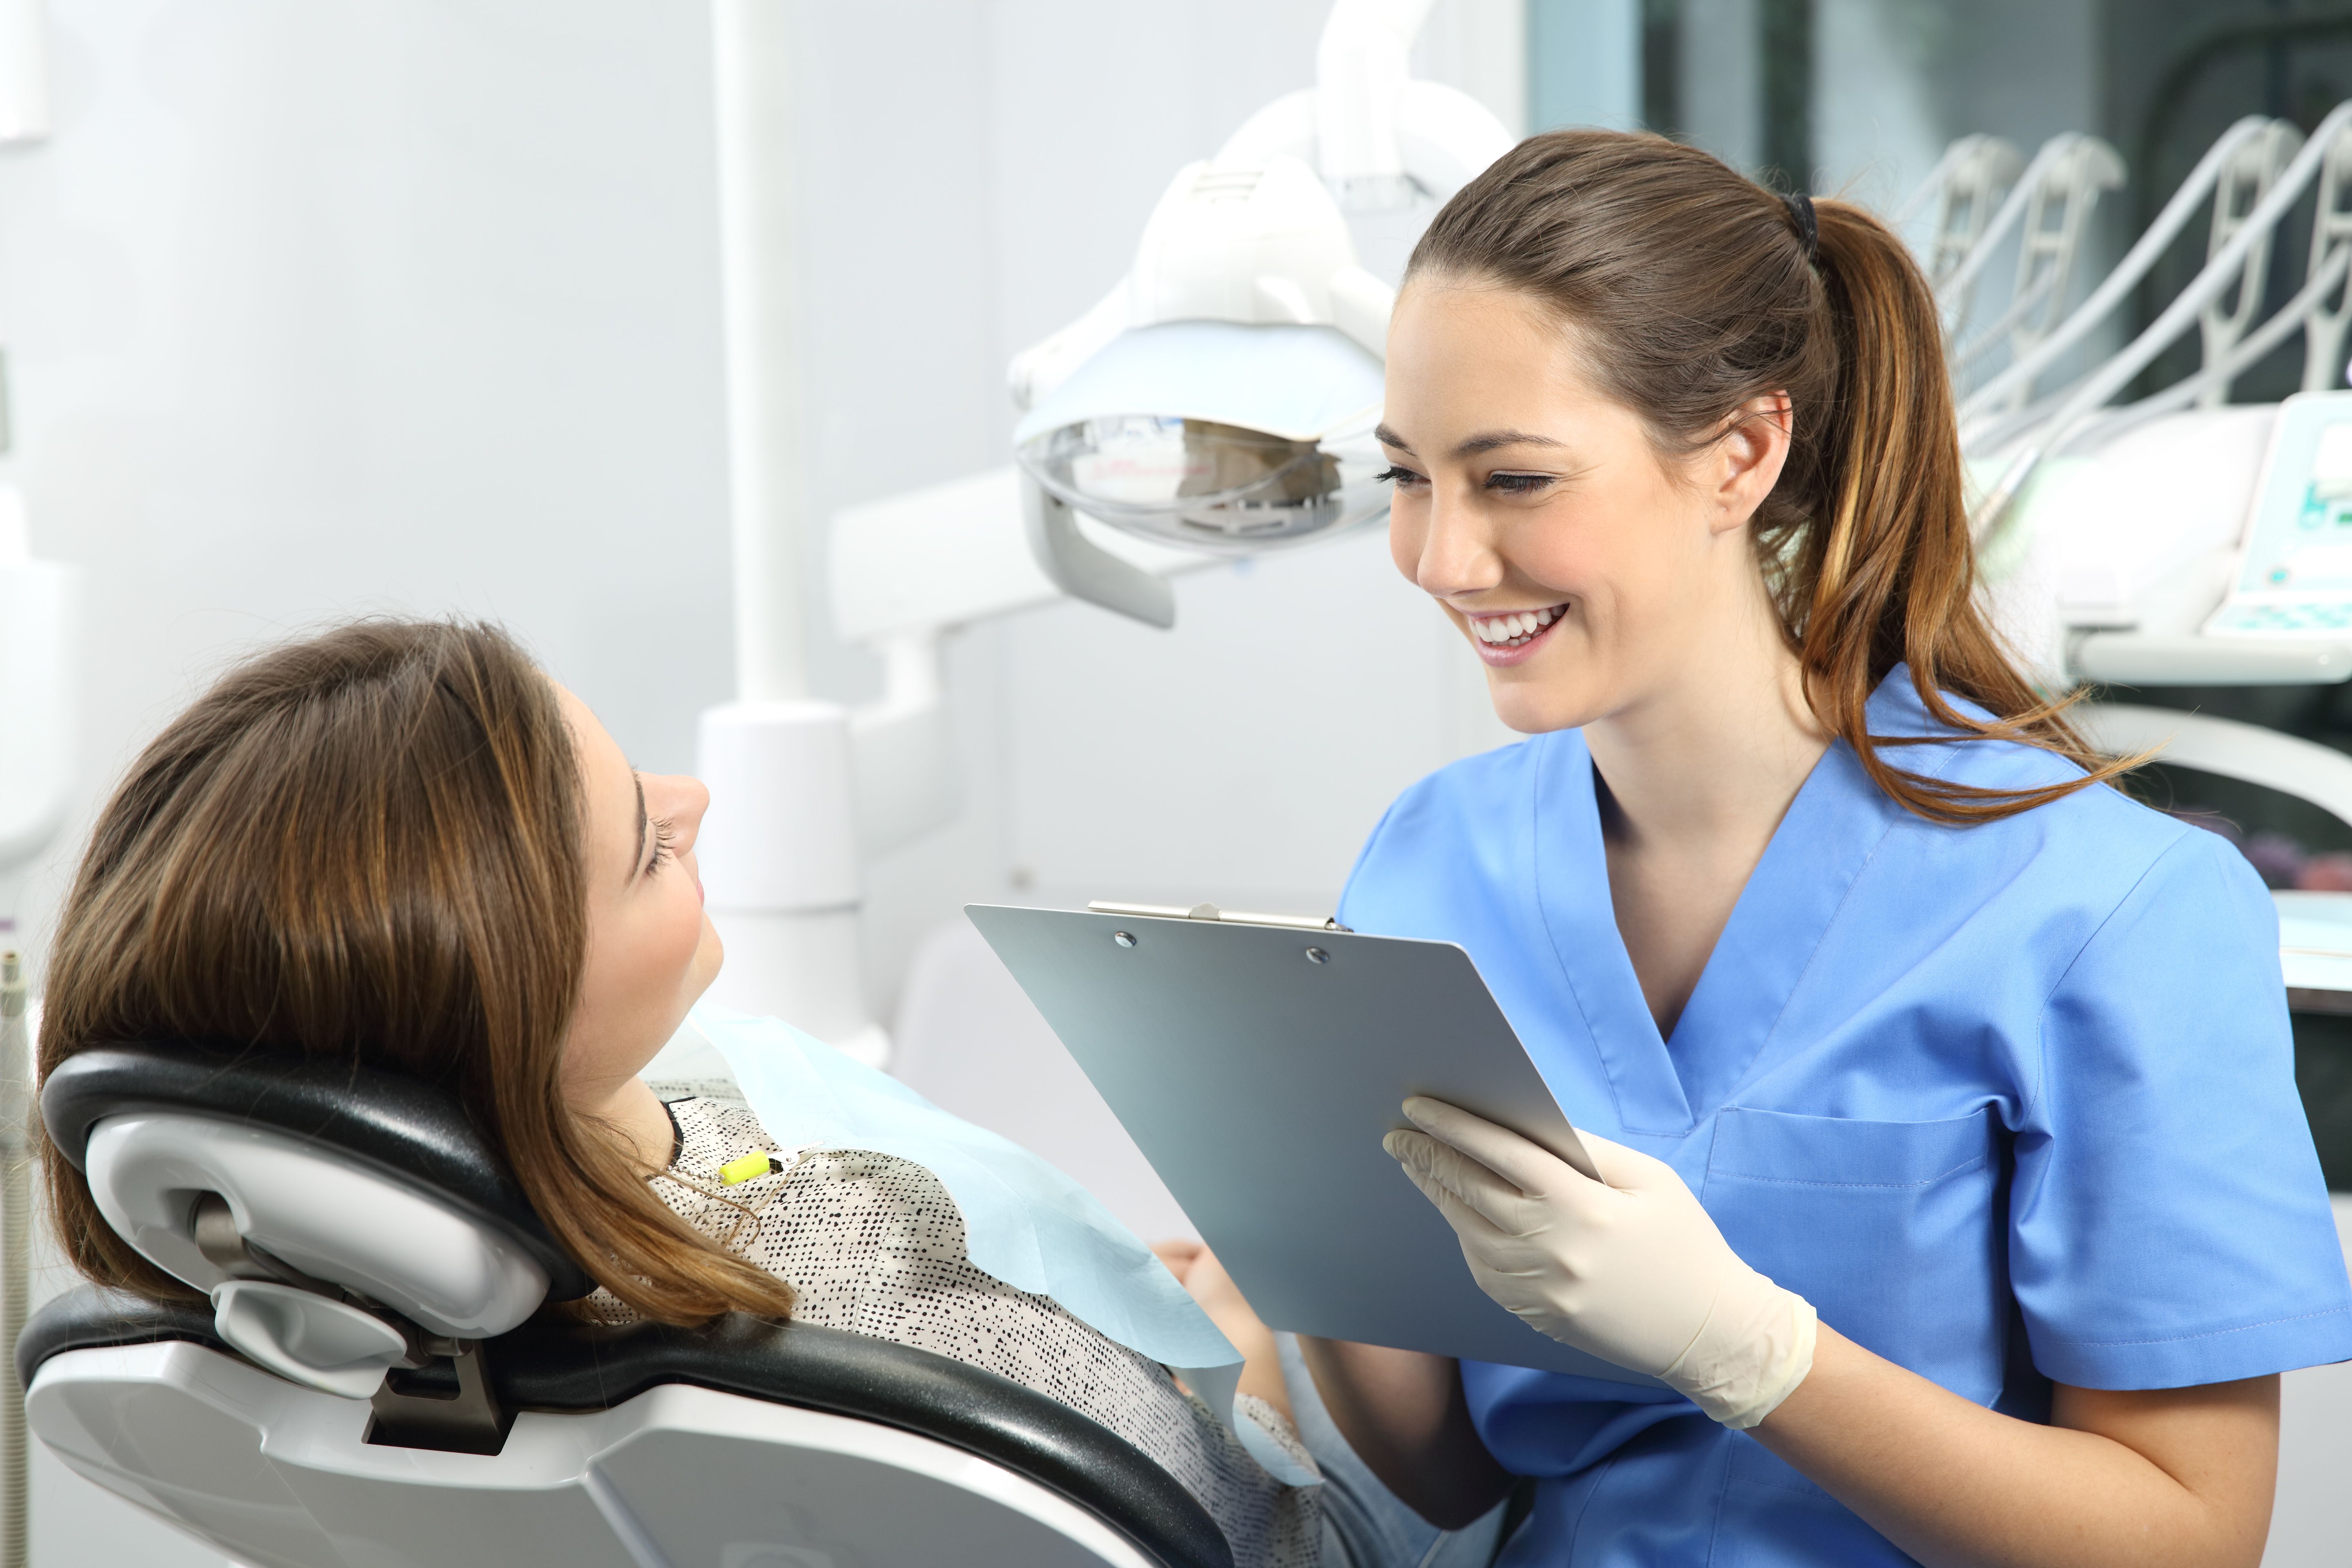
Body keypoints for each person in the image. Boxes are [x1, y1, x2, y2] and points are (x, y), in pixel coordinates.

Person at [1287, 129, 2352, 1568]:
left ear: (1742, 452)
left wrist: (1752, 1354)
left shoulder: (2109, 907)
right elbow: (1455, 1477)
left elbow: (2189, 1539)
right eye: (1409, 476)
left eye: (1516, 480)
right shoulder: (1433, 859)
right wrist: (1302, 1233)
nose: (1443, 558)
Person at [36, 617, 1448, 1568]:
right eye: (647, 849)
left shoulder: (320, 1318)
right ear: (519, 1017)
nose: (697, 796)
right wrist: (1256, 1329)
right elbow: (1254, 1520)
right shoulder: (866, 1307)